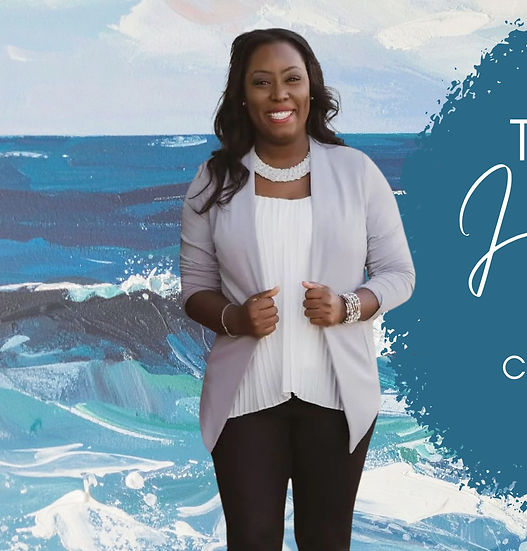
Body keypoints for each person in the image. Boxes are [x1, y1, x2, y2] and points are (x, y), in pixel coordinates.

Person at [178, 28, 414, 550]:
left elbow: (399, 273)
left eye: (292, 79)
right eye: (262, 82)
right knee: (253, 538)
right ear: (243, 95)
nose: (279, 94)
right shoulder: (213, 181)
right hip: (245, 397)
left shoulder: (357, 173)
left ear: (312, 90)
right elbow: (194, 287)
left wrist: (349, 306)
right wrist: (234, 319)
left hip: (335, 395)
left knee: (326, 541)